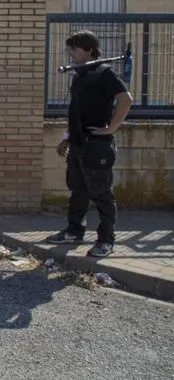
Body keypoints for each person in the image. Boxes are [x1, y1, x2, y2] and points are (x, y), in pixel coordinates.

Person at [46, 30, 133, 258]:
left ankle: (106, 239)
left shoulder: (105, 73)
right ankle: (74, 231)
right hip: (77, 143)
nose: (70, 53)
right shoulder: (79, 75)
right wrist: (67, 137)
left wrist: (111, 128)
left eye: (74, 49)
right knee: (78, 190)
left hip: (96, 145)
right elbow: (77, 110)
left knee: (102, 193)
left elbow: (126, 99)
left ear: (88, 50)